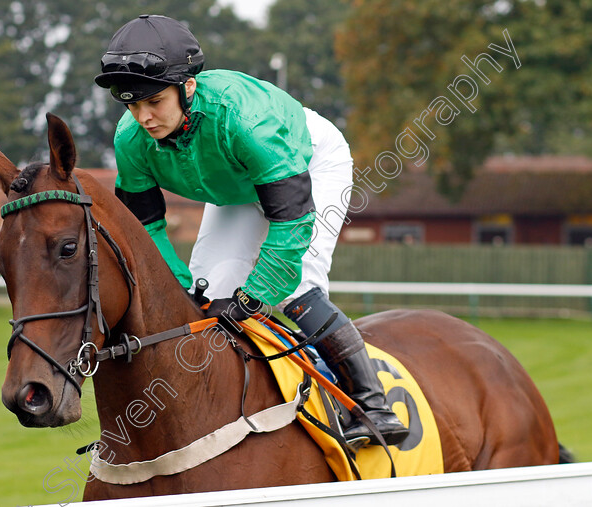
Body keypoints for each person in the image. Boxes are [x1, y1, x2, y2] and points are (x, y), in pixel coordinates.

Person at [95, 14, 407, 445]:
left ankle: (373, 405)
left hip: (306, 159)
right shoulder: (131, 139)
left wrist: (254, 297)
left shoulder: (247, 121)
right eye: (132, 105)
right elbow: (145, 227)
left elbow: (291, 224)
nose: (143, 118)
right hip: (236, 184)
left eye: (154, 102)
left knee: (294, 286)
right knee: (207, 291)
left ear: (187, 87)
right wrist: (182, 286)